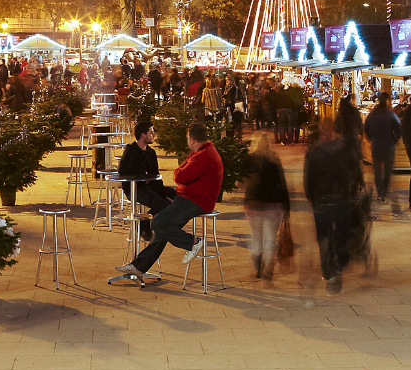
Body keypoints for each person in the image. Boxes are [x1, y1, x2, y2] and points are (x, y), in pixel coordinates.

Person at [117, 122, 222, 279]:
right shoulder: (202, 152)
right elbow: (181, 172)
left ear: (192, 140)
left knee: (157, 222)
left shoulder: (202, 156)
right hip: (190, 197)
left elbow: (179, 175)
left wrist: (181, 170)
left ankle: (193, 242)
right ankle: (138, 267)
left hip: (194, 201)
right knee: (163, 228)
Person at [304, 109, 364, 295]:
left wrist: (312, 198)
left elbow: (308, 180)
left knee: (324, 238)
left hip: (322, 202)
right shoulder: (346, 149)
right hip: (342, 200)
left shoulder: (314, 152)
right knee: (342, 237)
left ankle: (329, 272)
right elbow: (356, 172)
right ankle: (337, 266)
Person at [118, 120, 176, 242]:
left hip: (149, 187)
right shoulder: (131, 151)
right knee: (161, 204)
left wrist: (164, 195)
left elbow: (155, 175)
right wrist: (143, 176)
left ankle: (156, 223)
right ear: (143, 135)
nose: (154, 135)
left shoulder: (151, 153)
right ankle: (145, 225)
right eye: (151, 132)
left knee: (175, 196)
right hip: (134, 189)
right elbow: (122, 171)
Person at [244, 132, 290, 280]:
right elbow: (282, 184)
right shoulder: (274, 159)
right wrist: (287, 207)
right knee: (270, 239)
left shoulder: (250, 160)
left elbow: (243, 182)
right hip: (273, 205)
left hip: (254, 205)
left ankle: (257, 266)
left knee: (256, 236)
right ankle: (268, 268)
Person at [363, 92, 403, 216]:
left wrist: (371, 139)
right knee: (387, 171)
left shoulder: (372, 115)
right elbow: (399, 129)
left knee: (377, 170)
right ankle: (384, 192)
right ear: (387, 101)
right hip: (388, 145)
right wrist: (394, 140)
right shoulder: (391, 115)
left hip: (376, 145)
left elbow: (365, 129)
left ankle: (380, 193)